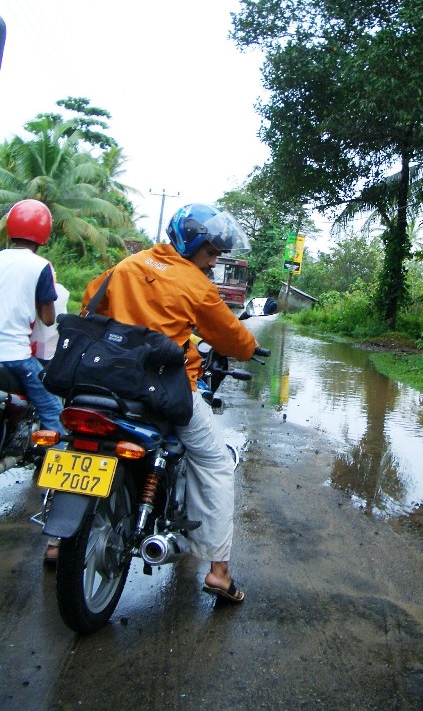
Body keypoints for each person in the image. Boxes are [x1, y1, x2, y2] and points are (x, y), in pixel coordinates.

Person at [82, 203, 258, 603]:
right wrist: (250, 347)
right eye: (210, 253)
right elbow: (233, 338)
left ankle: (59, 544)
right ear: (190, 244)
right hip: (163, 391)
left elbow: (90, 304)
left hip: (109, 381)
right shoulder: (195, 285)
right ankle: (219, 571)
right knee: (215, 462)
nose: (212, 262)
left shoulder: (128, 265)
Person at [0, 199, 66, 565]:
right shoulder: (41, 267)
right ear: (44, 234)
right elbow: (48, 316)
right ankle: (57, 529)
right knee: (58, 422)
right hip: (16, 357)